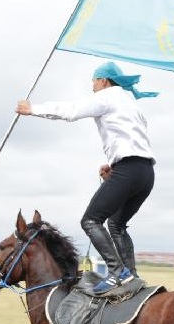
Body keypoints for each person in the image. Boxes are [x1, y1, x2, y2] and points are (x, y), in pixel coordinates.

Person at [15, 61, 158, 294]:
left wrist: (33, 109)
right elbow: (133, 140)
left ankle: (117, 273)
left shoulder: (108, 96)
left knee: (90, 221)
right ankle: (131, 275)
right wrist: (115, 165)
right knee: (117, 224)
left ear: (103, 80)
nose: (92, 87)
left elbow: (72, 111)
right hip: (145, 173)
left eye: (93, 82)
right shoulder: (131, 104)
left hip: (129, 170)